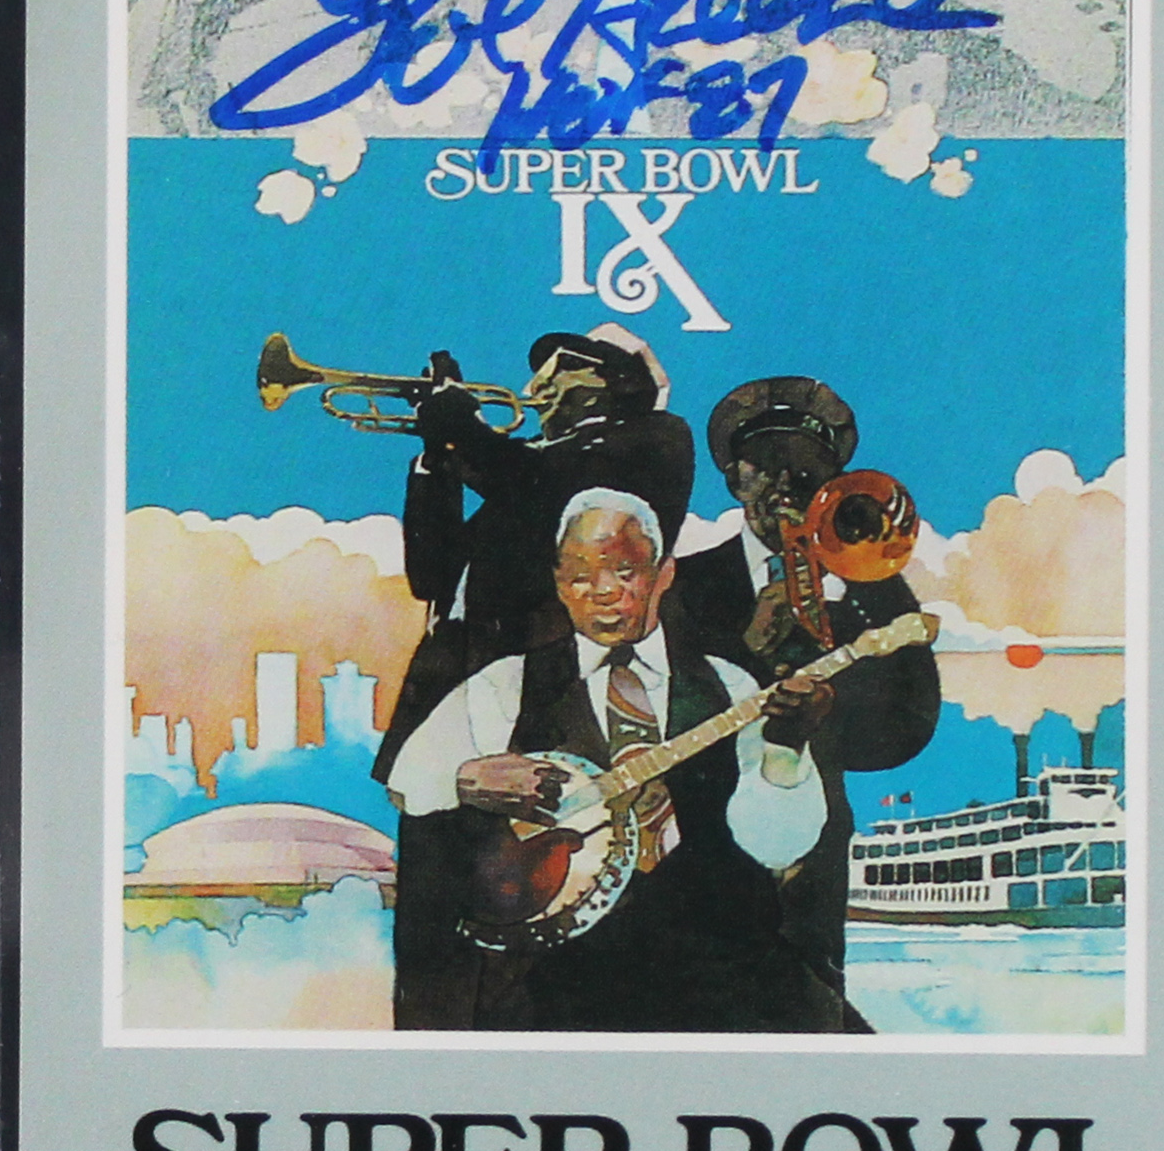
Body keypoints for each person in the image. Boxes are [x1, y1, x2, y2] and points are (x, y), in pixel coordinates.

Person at [384, 490, 833, 1035]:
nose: (602, 592)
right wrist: (466, 778)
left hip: (715, 978)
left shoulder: (731, 685)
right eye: (579, 576)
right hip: (555, 987)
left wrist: (785, 749)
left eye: (625, 571)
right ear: (557, 584)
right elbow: (407, 782)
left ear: (664, 574)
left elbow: (779, 846)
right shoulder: (506, 685)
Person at [375, 328, 694, 1028]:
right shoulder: (526, 471)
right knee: (433, 898)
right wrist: (434, 459)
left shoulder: (646, 444)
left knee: (526, 905)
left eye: (557, 376)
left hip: (542, 699)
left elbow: (544, 490)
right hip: (452, 699)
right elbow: (431, 571)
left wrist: (460, 426)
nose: (534, 391)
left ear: (614, 382)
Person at [672, 376, 942, 1030]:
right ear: (734, 479)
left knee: (812, 1012)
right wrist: (746, 651)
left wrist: (829, 713)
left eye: (806, 471)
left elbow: (909, 724)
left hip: (813, 856)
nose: (785, 486)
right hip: (703, 845)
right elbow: (660, 714)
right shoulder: (685, 585)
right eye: (766, 467)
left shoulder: (872, 584)